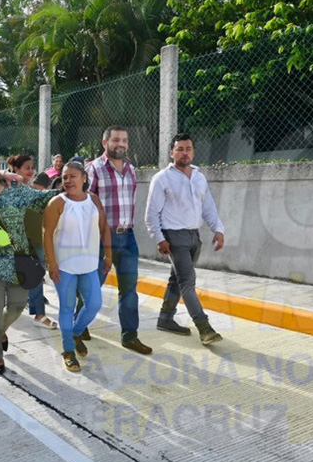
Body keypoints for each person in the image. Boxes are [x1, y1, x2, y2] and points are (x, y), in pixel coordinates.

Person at [0, 152, 59, 374]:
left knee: (18, 304)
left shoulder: (14, 189)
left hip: (17, 260)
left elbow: (40, 199)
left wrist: (66, 192)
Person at [145, 133, 226, 345]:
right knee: (188, 282)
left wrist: (218, 229)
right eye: (179, 149)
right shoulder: (162, 178)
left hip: (193, 236)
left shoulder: (199, 177)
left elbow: (208, 207)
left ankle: (165, 318)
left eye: (188, 148)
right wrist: (159, 238)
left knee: (178, 279)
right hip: (174, 237)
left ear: (193, 152)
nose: (184, 152)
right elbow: (151, 213)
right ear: (172, 153)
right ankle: (204, 327)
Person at [84, 125, 152, 354]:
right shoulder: (93, 169)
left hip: (128, 237)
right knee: (93, 286)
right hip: (103, 239)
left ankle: (130, 335)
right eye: (115, 140)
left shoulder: (131, 169)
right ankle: (79, 323)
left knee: (129, 289)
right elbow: (85, 204)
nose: (120, 144)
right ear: (105, 143)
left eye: (124, 140)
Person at [45, 160, 111, 372]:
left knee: (94, 304)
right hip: (64, 266)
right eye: (65, 177)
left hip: (90, 264)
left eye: (73, 176)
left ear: (84, 178)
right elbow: (47, 235)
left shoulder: (93, 200)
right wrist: (52, 263)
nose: (68, 180)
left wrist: (108, 255)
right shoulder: (57, 203)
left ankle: (75, 331)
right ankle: (68, 351)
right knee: (66, 308)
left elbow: (104, 227)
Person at [5, 154, 58, 330]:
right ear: (16, 169)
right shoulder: (8, 188)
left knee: (36, 276)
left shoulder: (30, 189)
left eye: (32, 167)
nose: (31, 171)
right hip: (17, 244)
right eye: (26, 167)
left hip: (36, 241)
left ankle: (38, 314)